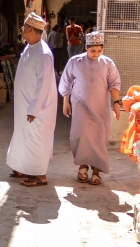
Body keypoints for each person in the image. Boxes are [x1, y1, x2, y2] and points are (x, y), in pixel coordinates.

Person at [59, 31, 122, 186]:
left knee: (99, 137)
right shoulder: (75, 61)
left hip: (101, 106)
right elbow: (66, 81)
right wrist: (66, 102)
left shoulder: (108, 63)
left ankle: (96, 171)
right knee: (81, 135)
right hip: (80, 105)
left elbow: (114, 83)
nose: (96, 54)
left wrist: (116, 103)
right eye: (92, 50)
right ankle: (82, 166)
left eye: (99, 51)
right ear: (86, 47)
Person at [6, 12, 58, 186]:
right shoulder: (30, 47)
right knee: (23, 135)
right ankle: (21, 167)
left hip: (37, 108)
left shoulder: (44, 54)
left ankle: (39, 175)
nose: (21, 29)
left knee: (36, 138)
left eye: (24, 26)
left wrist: (34, 109)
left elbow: (44, 84)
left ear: (30, 30)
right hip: (25, 104)